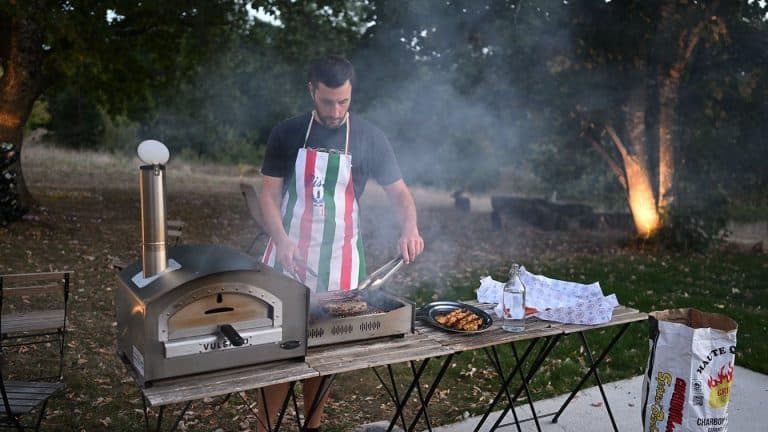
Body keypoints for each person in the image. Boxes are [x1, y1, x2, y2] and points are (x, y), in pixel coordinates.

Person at [257, 55, 424, 430]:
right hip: (287, 256)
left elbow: (401, 196)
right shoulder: (286, 133)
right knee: (278, 355)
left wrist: (409, 228)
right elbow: (268, 194)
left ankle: (312, 427)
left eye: (343, 101)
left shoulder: (370, 138)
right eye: (328, 101)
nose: (335, 111)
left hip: (340, 265)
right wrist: (281, 239)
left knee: (324, 353)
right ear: (311, 91)